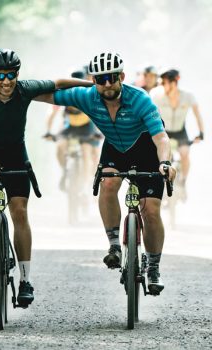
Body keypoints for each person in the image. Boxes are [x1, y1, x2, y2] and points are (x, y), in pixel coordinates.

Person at [0, 48, 92, 307]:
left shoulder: (25, 89)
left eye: (11, 74)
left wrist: (91, 83)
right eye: (0, 75)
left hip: (16, 153)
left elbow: (58, 83)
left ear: (17, 74)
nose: (6, 81)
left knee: (19, 212)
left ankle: (25, 280)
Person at [36, 52, 177, 295]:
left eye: (112, 77)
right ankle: (114, 246)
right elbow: (49, 92)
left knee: (151, 210)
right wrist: (14, 89)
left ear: (122, 76)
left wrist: (164, 162)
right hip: (115, 147)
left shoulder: (140, 99)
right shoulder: (88, 96)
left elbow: (161, 136)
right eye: (101, 79)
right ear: (94, 80)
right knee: (108, 184)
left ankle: (153, 267)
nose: (107, 84)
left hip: (146, 148)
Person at [43, 69, 102, 191]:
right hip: (69, 128)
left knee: (86, 152)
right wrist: (48, 131)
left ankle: (86, 186)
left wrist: (97, 132)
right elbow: (52, 113)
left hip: (87, 128)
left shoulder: (89, 93)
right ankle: (65, 171)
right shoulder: (63, 93)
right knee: (60, 147)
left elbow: (97, 114)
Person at [150, 69, 205, 186]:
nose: (162, 86)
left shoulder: (188, 96)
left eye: (164, 83)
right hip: (163, 131)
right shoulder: (156, 94)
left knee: (184, 153)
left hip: (180, 131)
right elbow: (147, 113)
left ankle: (183, 181)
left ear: (174, 83)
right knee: (160, 156)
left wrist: (201, 133)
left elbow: (197, 115)